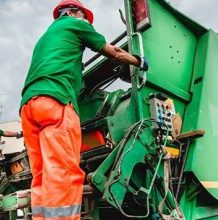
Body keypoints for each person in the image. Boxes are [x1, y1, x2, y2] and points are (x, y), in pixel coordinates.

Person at [19, 0, 148, 219]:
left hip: (29, 106)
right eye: (85, 17)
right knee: (63, 171)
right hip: (56, 100)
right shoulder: (75, 24)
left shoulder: (47, 37)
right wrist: (139, 61)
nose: (86, 22)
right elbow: (114, 52)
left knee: (41, 175)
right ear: (71, 12)